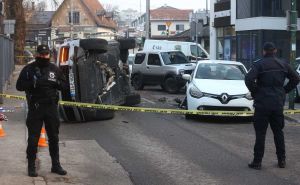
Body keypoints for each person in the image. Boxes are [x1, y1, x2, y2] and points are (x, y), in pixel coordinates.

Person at [245, 42, 300, 170]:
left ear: (264, 51)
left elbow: (248, 79)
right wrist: (284, 91)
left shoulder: (259, 64)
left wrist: (256, 91)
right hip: (277, 103)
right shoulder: (283, 64)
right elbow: (296, 78)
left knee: (260, 133)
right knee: (278, 132)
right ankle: (282, 160)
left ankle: (257, 162)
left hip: (262, 103)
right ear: (275, 51)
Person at [16, 44, 67, 177]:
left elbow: (65, 86)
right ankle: (31, 167)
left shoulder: (54, 69)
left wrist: (56, 83)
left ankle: (56, 165)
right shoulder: (29, 69)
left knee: (54, 138)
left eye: (46, 54)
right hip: (35, 108)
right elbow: (19, 86)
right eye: (41, 54)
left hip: (51, 108)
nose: (44, 56)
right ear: (36, 54)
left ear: (49, 55)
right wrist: (33, 84)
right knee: (33, 139)